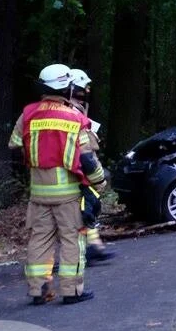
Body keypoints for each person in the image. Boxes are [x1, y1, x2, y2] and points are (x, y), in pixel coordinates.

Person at [8, 64, 106, 304]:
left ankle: (38, 290)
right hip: (68, 195)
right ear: (67, 87)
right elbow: (87, 159)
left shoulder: (28, 114)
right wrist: (100, 183)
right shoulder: (74, 117)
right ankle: (72, 292)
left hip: (38, 194)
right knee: (73, 240)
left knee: (39, 241)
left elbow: (14, 143)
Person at [69, 69, 114, 261]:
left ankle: (94, 247)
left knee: (90, 206)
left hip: (80, 170)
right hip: (76, 170)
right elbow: (83, 149)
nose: (87, 90)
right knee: (84, 209)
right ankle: (82, 253)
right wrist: (98, 177)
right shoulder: (70, 111)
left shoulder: (76, 108)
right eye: (84, 87)